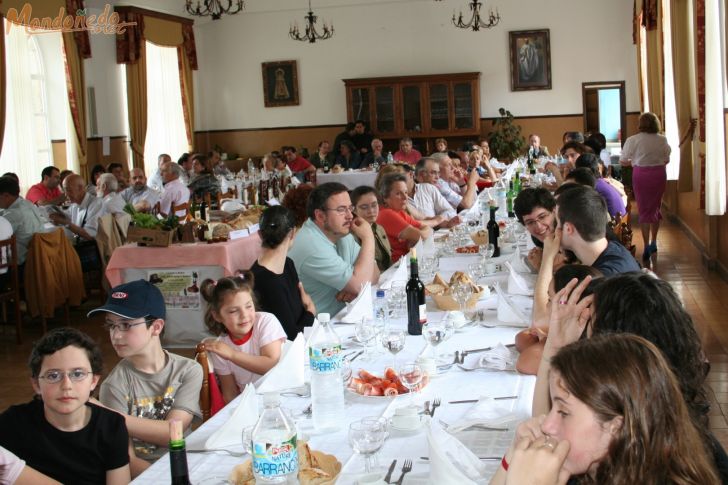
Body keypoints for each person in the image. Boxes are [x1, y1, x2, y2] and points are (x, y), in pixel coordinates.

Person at [531, 273, 728, 482]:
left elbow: (545, 436)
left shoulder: (612, 448)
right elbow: (546, 429)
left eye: (590, 326)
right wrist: (555, 345)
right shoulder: (667, 424)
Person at [493, 334, 720, 484]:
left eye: (563, 412)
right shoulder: (593, 471)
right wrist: (513, 456)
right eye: (553, 407)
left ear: (615, 426)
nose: (547, 425)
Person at [89, 279, 203, 476]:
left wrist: (111, 417)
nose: (115, 335)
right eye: (111, 326)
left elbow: (173, 432)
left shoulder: (188, 370)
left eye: (125, 325)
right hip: (146, 475)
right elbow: (127, 460)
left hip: (189, 465)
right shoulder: (114, 386)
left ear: (156, 327)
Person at [0, 328, 131, 484]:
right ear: (36, 384)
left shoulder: (112, 426)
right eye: (53, 375)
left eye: (77, 374)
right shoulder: (13, 423)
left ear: (94, 381)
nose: (66, 385)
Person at [288, 182, 380, 316]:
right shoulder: (311, 245)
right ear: (320, 216)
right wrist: (368, 238)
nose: (350, 215)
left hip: (342, 316)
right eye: (341, 210)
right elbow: (361, 284)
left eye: (350, 208)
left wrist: (356, 286)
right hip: (318, 329)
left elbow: (375, 273)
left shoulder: (340, 232)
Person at [200, 273, 287, 403]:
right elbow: (230, 394)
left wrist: (232, 354)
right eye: (234, 311)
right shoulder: (220, 348)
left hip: (284, 396)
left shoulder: (266, 321)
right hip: (251, 404)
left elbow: (270, 365)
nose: (244, 315)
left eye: (248, 306)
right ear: (217, 316)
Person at [250, 206, 316, 340]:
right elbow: (291, 337)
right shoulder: (267, 282)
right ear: (292, 233)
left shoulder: (287, 264)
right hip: (284, 354)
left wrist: (307, 313)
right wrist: (310, 311)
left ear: (260, 234)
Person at [620, 112, 671, 261]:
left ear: (640, 124)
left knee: (644, 211)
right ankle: (654, 242)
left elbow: (623, 161)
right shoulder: (662, 139)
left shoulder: (633, 140)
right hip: (658, 175)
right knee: (656, 208)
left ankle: (646, 245)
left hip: (641, 175)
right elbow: (666, 159)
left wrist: (635, 162)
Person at [555, 185, 639, 275]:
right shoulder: (614, 247)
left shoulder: (600, 278)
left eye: (557, 223)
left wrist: (547, 258)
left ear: (568, 229)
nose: (555, 230)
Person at [49, 174, 106, 272]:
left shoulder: (96, 204)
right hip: (77, 247)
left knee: (53, 263)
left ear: (80, 188)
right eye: (64, 190)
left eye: (68, 190)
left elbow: (90, 235)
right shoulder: (74, 205)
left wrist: (66, 223)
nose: (65, 195)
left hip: (91, 252)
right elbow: (67, 219)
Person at [377, 173, 432, 263]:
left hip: (409, 259)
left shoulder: (400, 212)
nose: (405, 197)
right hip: (397, 267)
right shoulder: (386, 214)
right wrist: (416, 237)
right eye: (398, 193)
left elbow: (426, 228)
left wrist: (414, 238)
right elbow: (421, 236)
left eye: (406, 192)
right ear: (385, 197)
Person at [0, 176, 44, 268]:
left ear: (6, 196)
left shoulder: (13, 214)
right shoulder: (27, 203)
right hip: (38, 259)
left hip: (22, 266)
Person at [351, 185, 392, 272]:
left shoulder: (379, 229)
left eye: (374, 205)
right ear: (354, 210)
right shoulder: (352, 236)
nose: (371, 211)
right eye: (364, 207)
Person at [410, 158, 458, 227]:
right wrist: (436, 221)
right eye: (433, 173)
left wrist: (438, 220)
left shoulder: (431, 188)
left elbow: (451, 212)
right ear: (421, 175)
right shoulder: (399, 198)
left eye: (438, 173)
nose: (437, 177)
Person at [575, 153, 626, 217]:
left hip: (611, 224)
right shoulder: (602, 181)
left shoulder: (592, 186)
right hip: (618, 223)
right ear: (597, 168)